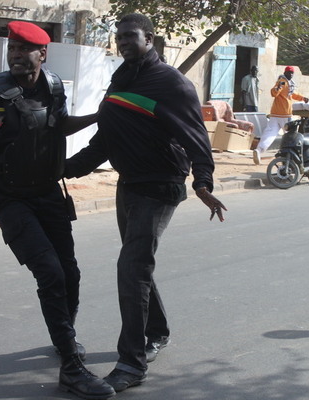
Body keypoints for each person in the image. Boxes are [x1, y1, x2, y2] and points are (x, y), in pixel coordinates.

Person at [0, 21, 115, 400]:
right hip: (8, 198)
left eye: (23, 50)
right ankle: (71, 367)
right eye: (12, 49)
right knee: (49, 272)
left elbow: (59, 127)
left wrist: (99, 117)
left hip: (48, 193)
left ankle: (65, 336)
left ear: (42, 54)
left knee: (70, 273)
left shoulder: (54, 87)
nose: (15, 55)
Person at [64, 13, 227, 393]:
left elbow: (196, 137)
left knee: (132, 267)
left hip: (161, 185)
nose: (121, 42)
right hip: (130, 184)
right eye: (118, 37)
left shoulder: (171, 83)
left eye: (129, 36)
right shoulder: (122, 78)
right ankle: (157, 330)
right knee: (138, 264)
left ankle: (132, 363)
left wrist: (202, 181)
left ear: (149, 38)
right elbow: (106, 137)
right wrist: (68, 169)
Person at [253, 66, 308, 165]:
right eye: (289, 73)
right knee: (291, 136)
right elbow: (274, 92)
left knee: (269, 134)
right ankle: (289, 157)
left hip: (275, 114)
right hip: (285, 115)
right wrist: (277, 88)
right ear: (285, 72)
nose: (290, 75)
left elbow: (292, 94)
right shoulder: (282, 81)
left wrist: (302, 98)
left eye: (292, 73)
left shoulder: (289, 84)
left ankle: (259, 150)